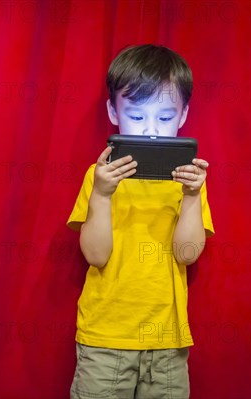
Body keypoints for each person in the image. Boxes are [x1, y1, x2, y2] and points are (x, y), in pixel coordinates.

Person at [67, 44, 215, 399]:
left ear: (182, 117)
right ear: (113, 112)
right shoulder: (99, 176)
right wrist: (102, 194)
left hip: (167, 341)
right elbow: (95, 255)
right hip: (106, 337)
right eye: (136, 116)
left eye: (164, 119)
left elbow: (188, 254)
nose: (151, 130)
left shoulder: (188, 181)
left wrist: (193, 197)